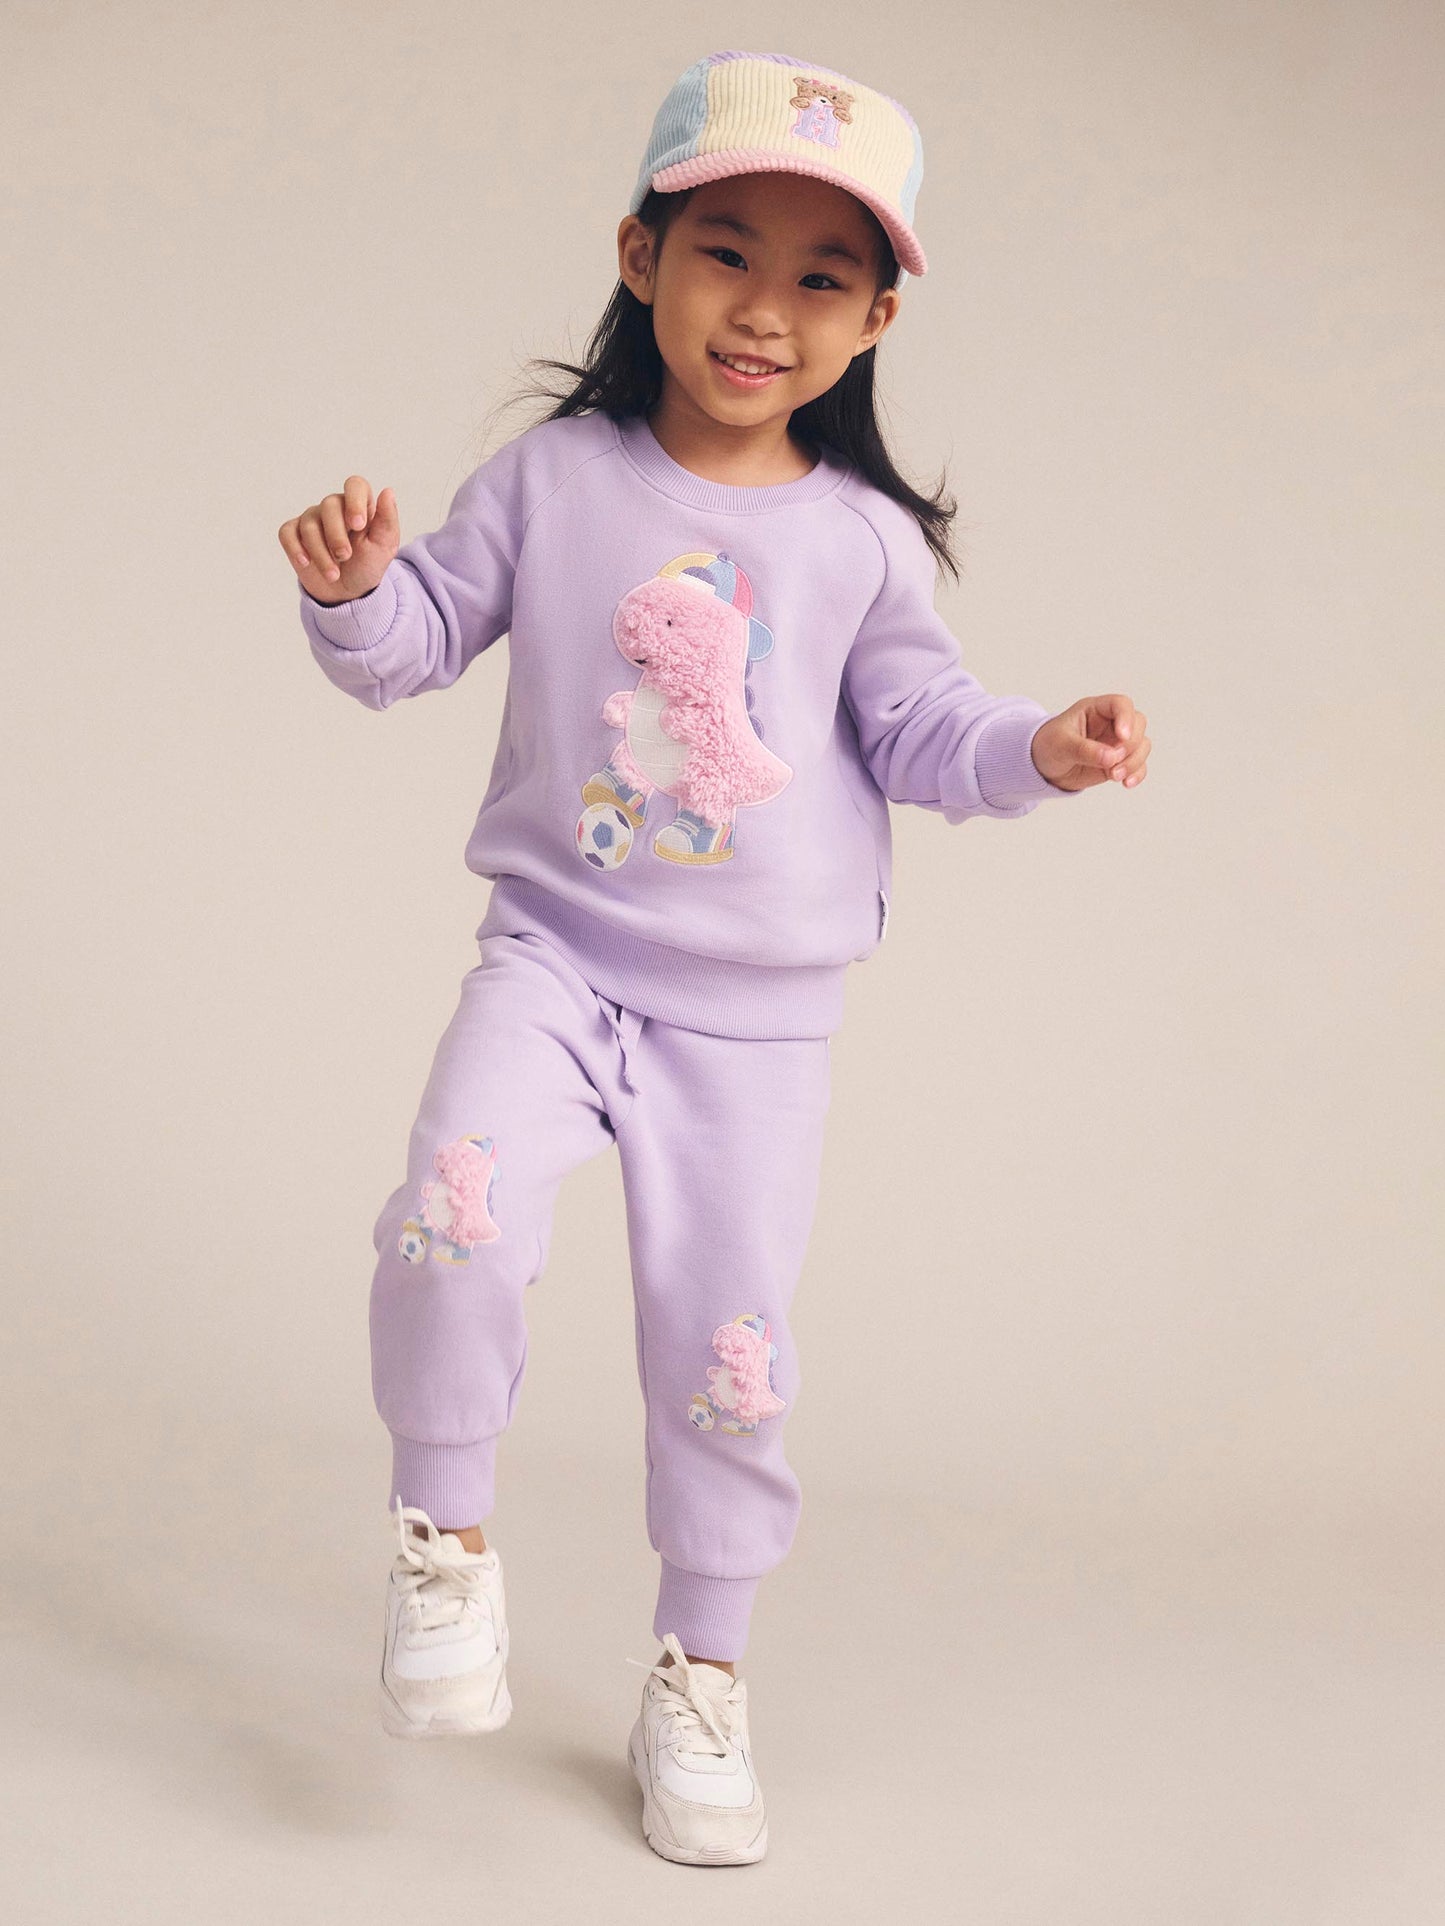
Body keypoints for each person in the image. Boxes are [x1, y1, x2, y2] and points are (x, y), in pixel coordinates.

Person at [278, 48, 1150, 1866]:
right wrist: (354, 590)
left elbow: (922, 730)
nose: (762, 309)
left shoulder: (859, 543)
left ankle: (703, 1669)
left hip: (752, 1028)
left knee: (726, 1352)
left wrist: (1038, 747)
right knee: (448, 1218)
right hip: (553, 956)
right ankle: (443, 1537)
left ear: (876, 317)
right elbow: (411, 643)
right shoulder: (552, 480)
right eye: (724, 252)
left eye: (820, 276)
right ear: (639, 257)